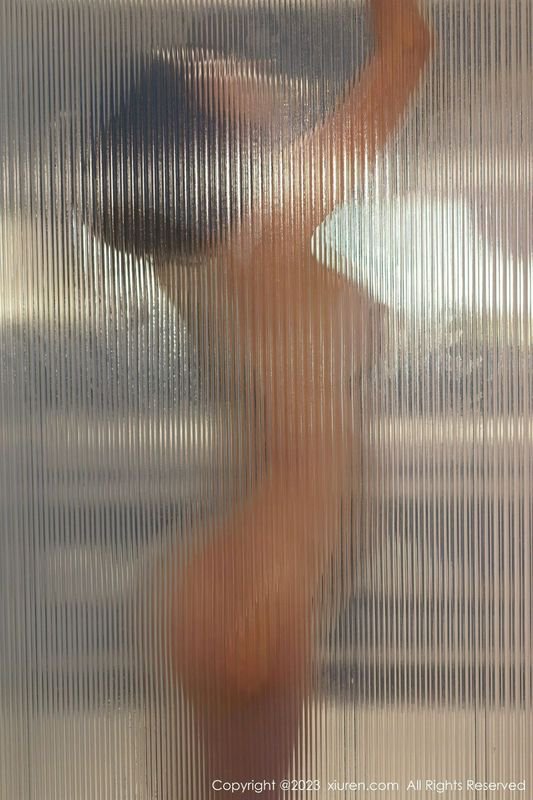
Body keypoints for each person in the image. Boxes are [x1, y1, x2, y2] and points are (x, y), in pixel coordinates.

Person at [90, 1, 431, 795]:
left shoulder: (213, 256)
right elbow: (408, 49)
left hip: (246, 575)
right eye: (202, 71)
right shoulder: (274, 231)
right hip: (260, 583)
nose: (228, 63)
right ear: (200, 126)